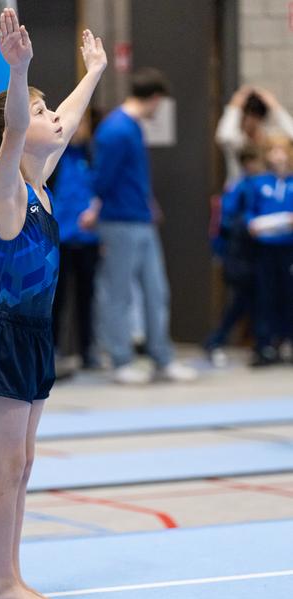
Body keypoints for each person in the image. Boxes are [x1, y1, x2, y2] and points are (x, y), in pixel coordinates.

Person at [0, 8, 106, 599]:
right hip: (6, 335)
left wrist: (96, 72)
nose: (58, 119)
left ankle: (15, 578)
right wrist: (19, 71)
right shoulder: (6, 191)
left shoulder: (41, 185)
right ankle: (2, 588)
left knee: (23, 466)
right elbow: (19, 132)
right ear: (17, 135)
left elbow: (68, 120)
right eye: (42, 113)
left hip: (36, 334)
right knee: (7, 469)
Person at [82, 68, 197, 384]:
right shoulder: (116, 130)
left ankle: (162, 357)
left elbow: (132, 176)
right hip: (119, 221)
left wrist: (149, 203)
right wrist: (96, 207)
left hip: (141, 218)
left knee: (156, 290)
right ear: (156, 98)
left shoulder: (131, 127)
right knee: (118, 293)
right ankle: (120, 359)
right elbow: (102, 178)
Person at [205, 147, 263, 366]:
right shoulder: (238, 187)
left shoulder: (260, 184)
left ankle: (260, 345)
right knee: (241, 301)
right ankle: (215, 341)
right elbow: (225, 221)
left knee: (250, 301)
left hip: (255, 252)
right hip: (237, 253)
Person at [52, 112, 100, 370]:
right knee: (56, 300)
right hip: (59, 239)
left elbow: (101, 192)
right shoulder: (53, 157)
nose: (78, 128)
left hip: (88, 239)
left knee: (87, 298)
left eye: (83, 123)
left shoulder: (94, 158)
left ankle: (87, 351)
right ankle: (54, 349)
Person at [246, 135, 293, 366]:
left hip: (288, 248)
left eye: (282, 150)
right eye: (273, 150)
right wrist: (252, 224)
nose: (278, 155)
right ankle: (264, 344)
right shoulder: (258, 183)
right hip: (265, 248)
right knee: (265, 296)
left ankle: (287, 340)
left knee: (288, 295)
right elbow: (249, 213)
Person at [216, 86, 293, 182]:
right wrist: (234, 106)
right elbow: (224, 137)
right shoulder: (238, 141)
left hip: (268, 193)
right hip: (241, 192)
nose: (246, 121)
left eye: (252, 117)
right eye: (243, 116)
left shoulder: (270, 139)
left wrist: (275, 106)